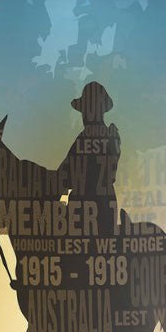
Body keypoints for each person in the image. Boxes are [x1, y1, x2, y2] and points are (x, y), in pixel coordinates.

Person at [58, 81, 120, 237]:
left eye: (86, 110)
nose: (84, 115)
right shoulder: (111, 136)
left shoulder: (83, 139)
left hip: (81, 214)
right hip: (107, 212)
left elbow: (63, 176)